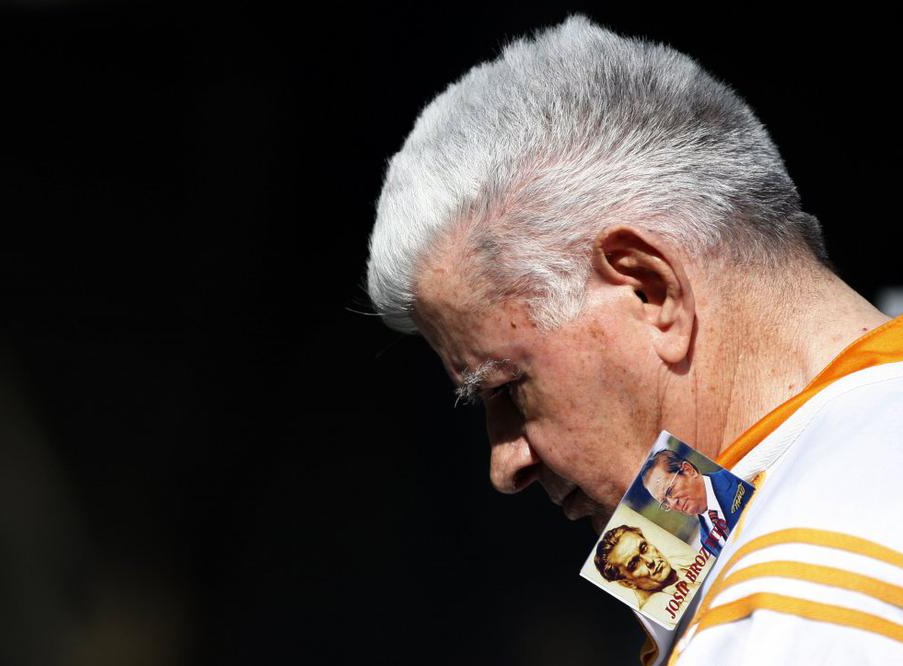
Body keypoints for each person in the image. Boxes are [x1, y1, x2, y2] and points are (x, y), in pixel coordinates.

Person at [365, 15, 903, 666]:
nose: (505, 466)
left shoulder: (790, 606)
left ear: (650, 290)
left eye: (506, 388)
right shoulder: (806, 471)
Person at [641, 450, 750, 556]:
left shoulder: (737, 475)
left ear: (688, 470)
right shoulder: (705, 540)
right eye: (665, 502)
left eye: (670, 491)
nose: (672, 503)